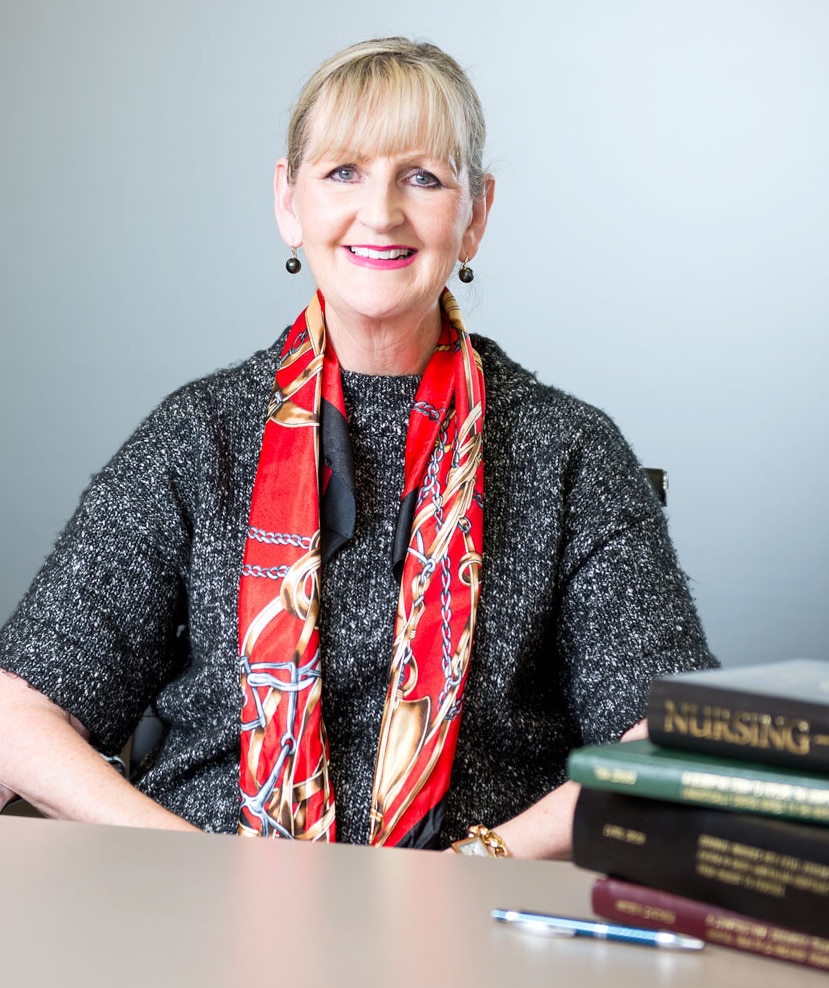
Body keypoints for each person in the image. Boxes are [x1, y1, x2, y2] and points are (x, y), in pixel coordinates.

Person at [0, 37, 716, 857]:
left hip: (474, 920)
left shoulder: (570, 453)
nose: (380, 213)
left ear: (475, 214)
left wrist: (480, 865)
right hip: (201, 916)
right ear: (288, 200)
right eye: (343, 171)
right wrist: (196, 868)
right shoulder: (199, 435)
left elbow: (663, 742)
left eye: (423, 177)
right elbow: (17, 716)